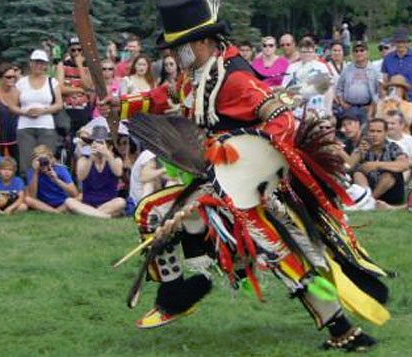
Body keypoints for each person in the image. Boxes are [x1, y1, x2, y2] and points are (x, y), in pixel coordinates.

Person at [137, 1, 390, 349]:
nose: (175, 56)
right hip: (216, 184)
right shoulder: (195, 76)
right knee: (153, 213)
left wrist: (233, 145)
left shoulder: (236, 79)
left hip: (253, 190)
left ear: (202, 42)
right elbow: (165, 97)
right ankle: (179, 291)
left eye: (179, 47)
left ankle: (343, 329)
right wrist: (123, 105)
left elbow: (281, 120)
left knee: (285, 260)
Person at [10, 50, 64, 175]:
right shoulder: (21, 82)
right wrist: (25, 112)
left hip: (46, 126)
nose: (39, 66)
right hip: (25, 127)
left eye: (42, 63)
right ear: (31, 64)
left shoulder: (52, 82)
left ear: (46, 65)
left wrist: (43, 111)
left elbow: (59, 104)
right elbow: (12, 105)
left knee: (46, 161)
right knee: (27, 163)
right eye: (36, 63)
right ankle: (29, 189)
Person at [350, 119, 409, 209]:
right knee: (358, 173)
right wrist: (358, 152)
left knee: (390, 173)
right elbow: (348, 166)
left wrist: (376, 165)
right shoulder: (363, 146)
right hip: (369, 187)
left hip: (390, 193)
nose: (375, 135)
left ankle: (369, 200)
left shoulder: (393, 147)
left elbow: (404, 165)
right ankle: (365, 198)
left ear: (386, 133)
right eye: (372, 131)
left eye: (379, 132)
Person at [73, 126, 126, 217]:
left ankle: (90, 213)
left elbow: (118, 173)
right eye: (96, 144)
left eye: (101, 144)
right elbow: (81, 177)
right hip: (88, 202)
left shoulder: (116, 160)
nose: (99, 147)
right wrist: (91, 159)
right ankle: (104, 215)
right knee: (69, 201)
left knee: (121, 201)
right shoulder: (83, 160)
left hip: (109, 202)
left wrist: (107, 154)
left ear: (109, 147)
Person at [383, 28, 412, 109]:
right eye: (398, 42)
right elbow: (384, 80)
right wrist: (385, 99)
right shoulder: (388, 58)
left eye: (403, 42)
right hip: (393, 101)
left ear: (407, 42)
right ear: (394, 43)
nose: (401, 44)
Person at [59, 38, 96, 140]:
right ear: (69, 50)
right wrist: (80, 90)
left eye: (79, 50)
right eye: (73, 50)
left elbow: (87, 86)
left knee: (83, 138)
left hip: (83, 109)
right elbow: (60, 88)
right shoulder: (63, 65)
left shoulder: (88, 66)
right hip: (67, 109)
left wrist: (79, 65)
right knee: (68, 139)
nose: (76, 53)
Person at [336, 41, 382, 121]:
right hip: (349, 108)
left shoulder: (374, 70)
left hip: (366, 108)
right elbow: (339, 88)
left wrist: (372, 107)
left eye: (362, 50)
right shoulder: (347, 69)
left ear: (367, 52)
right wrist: (342, 103)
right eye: (356, 51)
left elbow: (379, 92)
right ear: (353, 54)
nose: (359, 53)